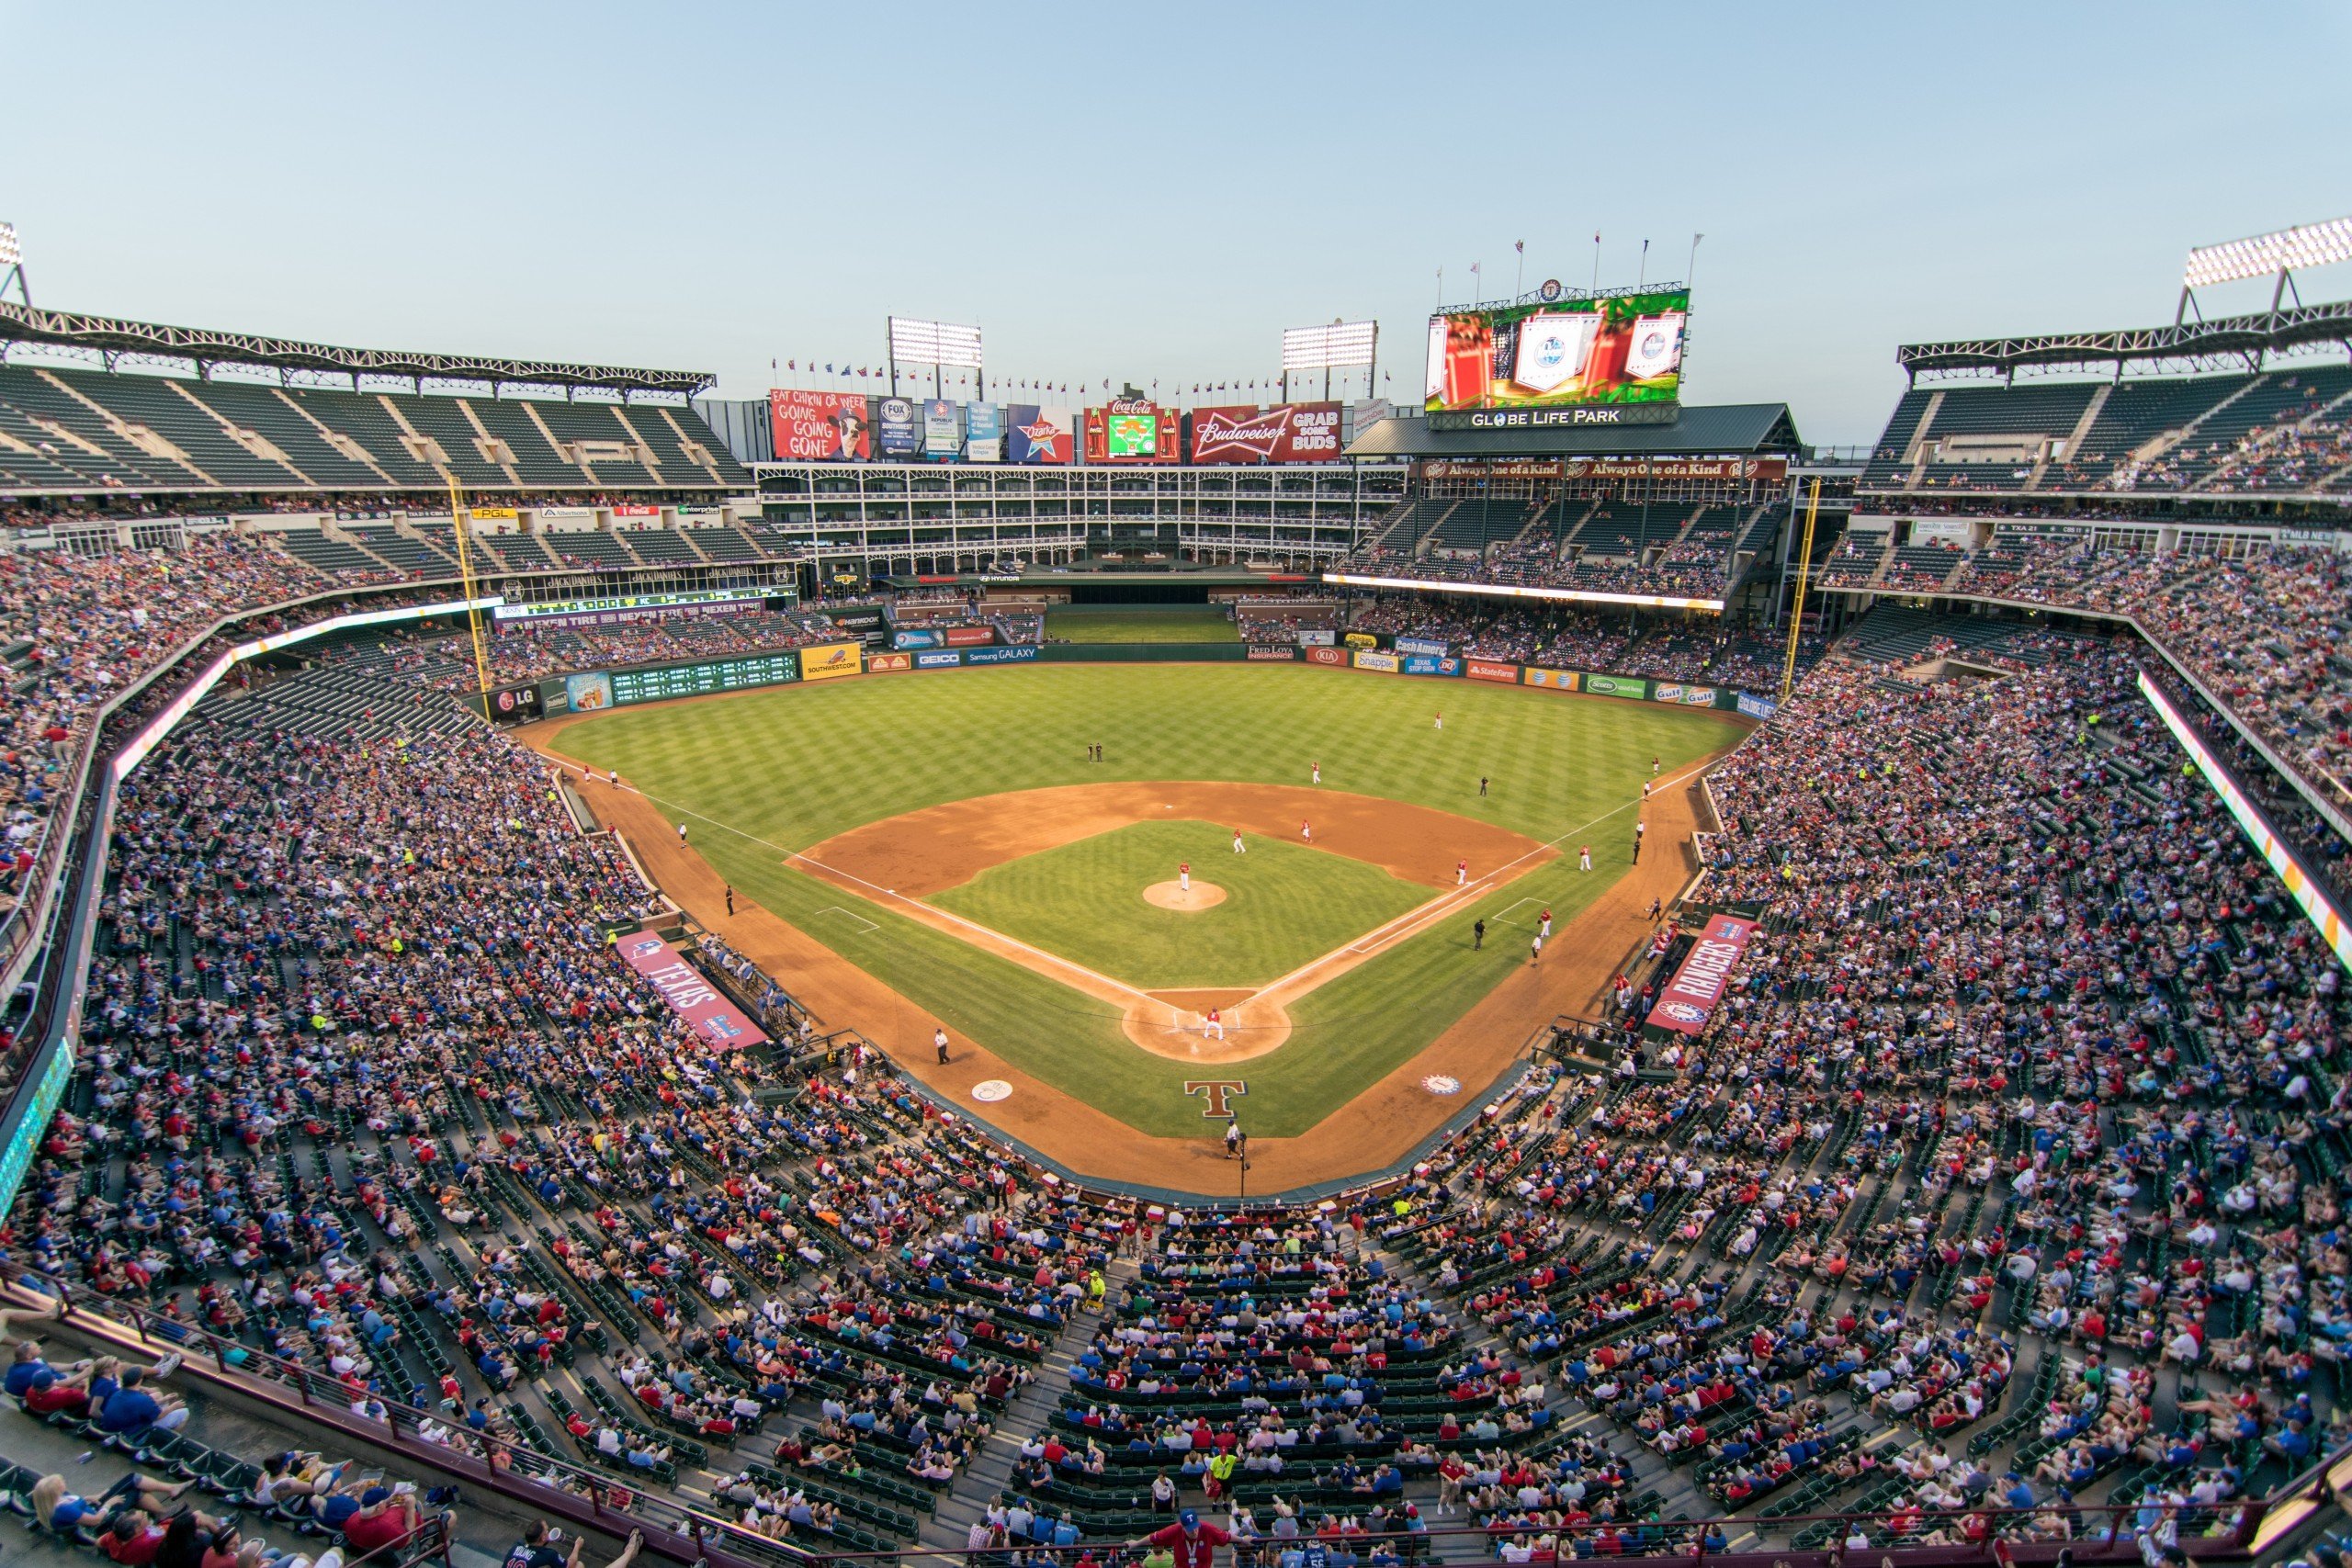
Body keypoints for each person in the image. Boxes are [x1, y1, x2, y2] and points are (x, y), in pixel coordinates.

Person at [1136, 1508, 1231, 1568]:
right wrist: (1136, 1543)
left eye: (1195, 1527)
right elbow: (1154, 1537)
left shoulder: (1206, 1527)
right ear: (1183, 1527)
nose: (1194, 1531)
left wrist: (1242, 1540)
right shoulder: (1175, 1529)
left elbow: (1226, 1536)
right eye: (1190, 1529)